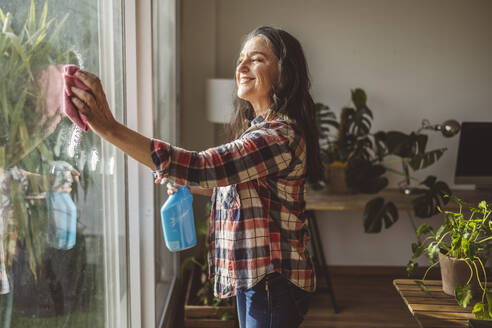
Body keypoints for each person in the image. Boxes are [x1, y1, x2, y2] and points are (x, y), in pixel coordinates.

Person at [70, 25, 322, 328]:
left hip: (273, 279)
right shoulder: (260, 131)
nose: (241, 67)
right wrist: (189, 183)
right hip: (259, 276)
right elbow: (240, 192)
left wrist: (109, 127)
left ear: (285, 71)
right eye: (241, 59)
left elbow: (203, 166)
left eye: (256, 59)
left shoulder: (278, 134)